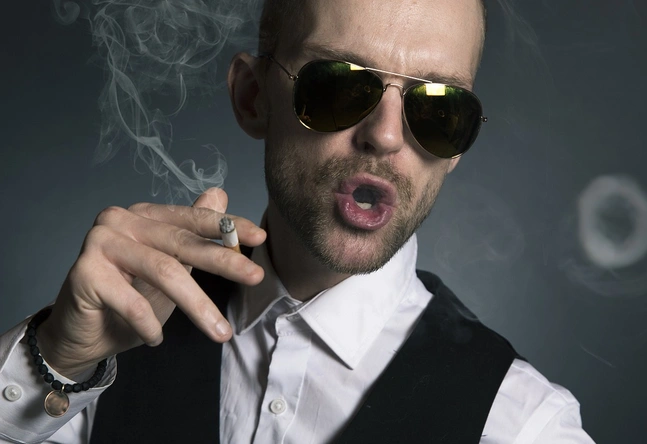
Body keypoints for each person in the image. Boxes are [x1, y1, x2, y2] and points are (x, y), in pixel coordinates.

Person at [0, 0, 594, 442]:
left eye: (439, 107)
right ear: (253, 98)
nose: (388, 137)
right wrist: (55, 360)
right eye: (340, 85)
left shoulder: (520, 425)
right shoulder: (107, 350)